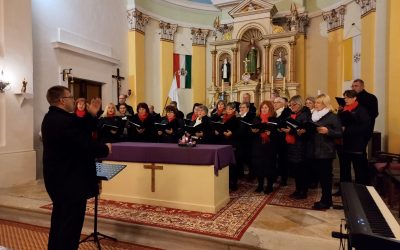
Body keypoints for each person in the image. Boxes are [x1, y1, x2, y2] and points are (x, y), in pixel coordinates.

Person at [41, 86, 111, 250]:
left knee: (60, 221)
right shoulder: (65, 121)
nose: (74, 100)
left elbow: (78, 126)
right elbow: (84, 145)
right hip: (70, 182)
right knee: (70, 228)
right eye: (70, 97)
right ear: (61, 100)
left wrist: (92, 113)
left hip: (57, 181)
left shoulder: (51, 117)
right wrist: (105, 149)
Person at [306, 94, 342, 209]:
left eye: (318, 103)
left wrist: (328, 131)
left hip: (326, 151)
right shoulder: (313, 116)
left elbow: (340, 133)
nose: (315, 104)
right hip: (315, 150)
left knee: (326, 178)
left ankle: (326, 201)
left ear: (325, 104)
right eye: (315, 102)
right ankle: (325, 199)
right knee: (321, 177)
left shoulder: (332, 116)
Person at [338, 90, 371, 185]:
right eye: (345, 97)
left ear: (355, 98)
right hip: (344, 144)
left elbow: (365, 127)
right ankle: (344, 189)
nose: (346, 99)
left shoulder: (361, 110)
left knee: (359, 169)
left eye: (348, 97)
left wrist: (346, 129)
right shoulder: (343, 109)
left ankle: (360, 189)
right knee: (344, 169)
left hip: (357, 144)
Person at [282, 95, 311, 199]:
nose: (292, 106)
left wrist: (291, 131)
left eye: (294, 104)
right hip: (293, 146)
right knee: (296, 171)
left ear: (299, 104)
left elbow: (305, 131)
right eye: (290, 104)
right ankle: (298, 189)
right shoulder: (292, 114)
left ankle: (303, 191)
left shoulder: (305, 115)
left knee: (302, 171)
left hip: (301, 147)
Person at [251, 101, 278, 194]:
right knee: (258, 166)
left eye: (266, 107)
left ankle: (269, 186)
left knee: (269, 167)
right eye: (262, 107)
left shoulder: (274, 120)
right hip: (258, 146)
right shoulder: (256, 119)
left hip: (270, 147)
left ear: (270, 108)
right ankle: (260, 185)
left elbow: (279, 135)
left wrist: (271, 134)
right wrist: (253, 132)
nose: (264, 109)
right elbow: (250, 133)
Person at [351, 79, 378, 143]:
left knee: (361, 150)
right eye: (352, 86)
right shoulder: (351, 98)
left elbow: (374, 113)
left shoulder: (371, 97)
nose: (353, 88)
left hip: (364, 129)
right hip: (351, 129)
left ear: (362, 86)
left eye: (356, 86)